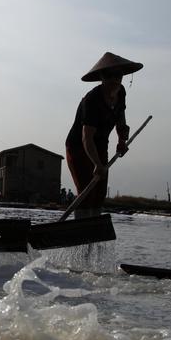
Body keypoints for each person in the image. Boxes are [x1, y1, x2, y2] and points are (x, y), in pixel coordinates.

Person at [65, 52, 143, 218]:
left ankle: (93, 235)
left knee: (99, 194)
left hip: (101, 145)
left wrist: (122, 140)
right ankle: (81, 234)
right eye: (109, 76)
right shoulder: (92, 100)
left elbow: (121, 119)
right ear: (102, 77)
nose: (114, 80)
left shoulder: (121, 92)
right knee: (87, 191)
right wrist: (96, 163)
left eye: (118, 75)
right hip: (80, 147)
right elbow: (86, 137)